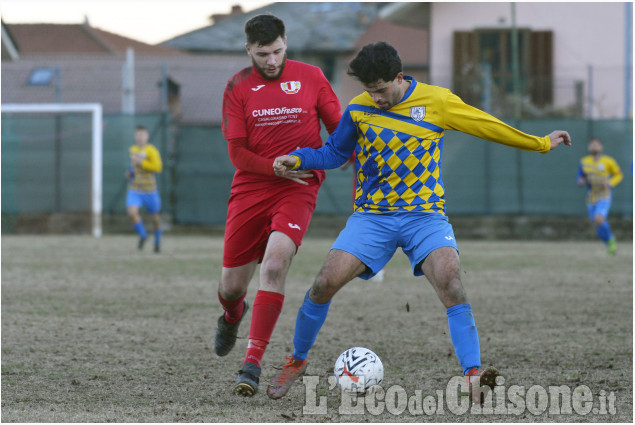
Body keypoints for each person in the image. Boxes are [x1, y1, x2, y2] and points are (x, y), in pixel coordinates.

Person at [269, 42, 572, 403]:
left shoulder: (437, 102)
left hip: (424, 215)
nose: (376, 98)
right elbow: (335, 152)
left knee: (451, 281)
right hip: (373, 216)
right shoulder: (358, 110)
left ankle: (473, 375)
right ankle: (296, 360)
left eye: (381, 90)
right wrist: (299, 158)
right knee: (322, 284)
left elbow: (487, 126)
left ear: (399, 77)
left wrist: (540, 143)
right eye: (369, 91)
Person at [216, 14, 342, 397]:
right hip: (252, 187)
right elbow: (237, 152)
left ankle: (251, 364)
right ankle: (232, 315)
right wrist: (270, 166)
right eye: (262, 53)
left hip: (298, 186)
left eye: (277, 51)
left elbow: (341, 132)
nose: (271, 60)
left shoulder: (312, 77)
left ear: (286, 42)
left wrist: (321, 160)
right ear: (248, 49)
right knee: (232, 286)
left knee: (274, 265)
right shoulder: (237, 87)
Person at [577, 138, 623, 254]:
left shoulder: (609, 161)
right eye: (592, 144)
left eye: (596, 144)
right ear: (588, 147)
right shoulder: (584, 161)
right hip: (591, 197)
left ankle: (611, 239)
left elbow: (619, 175)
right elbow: (580, 177)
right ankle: (609, 244)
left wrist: (610, 183)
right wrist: (580, 181)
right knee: (597, 225)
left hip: (604, 195)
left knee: (599, 218)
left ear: (601, 147)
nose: (594, 146)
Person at [126, 125, 163, 253]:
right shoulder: (132, 149)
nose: (140, 137)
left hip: (150, 190)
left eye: (142, 135)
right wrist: (130, 173)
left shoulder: (152, 150)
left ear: (147, 136)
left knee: (155, 218)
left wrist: (142, 162)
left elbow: (158, 167)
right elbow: (133, 167)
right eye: (137, 134)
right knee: (132, 212)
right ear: (135, 136)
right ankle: (143, 235)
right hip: (135, 189)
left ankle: (157, 241)